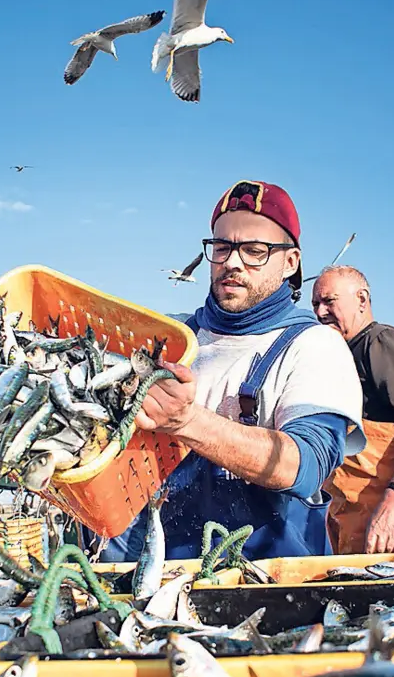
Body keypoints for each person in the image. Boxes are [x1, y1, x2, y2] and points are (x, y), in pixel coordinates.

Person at [101, 180, 365, 561]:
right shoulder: (170, 338)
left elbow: (302, 466)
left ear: (291, 262)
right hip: (145, 576)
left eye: (255, 251)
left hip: (260, 586)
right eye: (222, 248)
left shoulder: (314, 346)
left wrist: (186, 422)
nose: (233, 263)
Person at [312, 266, 394, 554]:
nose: (321, 313)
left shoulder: (381, 342)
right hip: (352, 522)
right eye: (315, 305)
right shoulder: (339, 355)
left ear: (362, 299)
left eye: (329, 301)